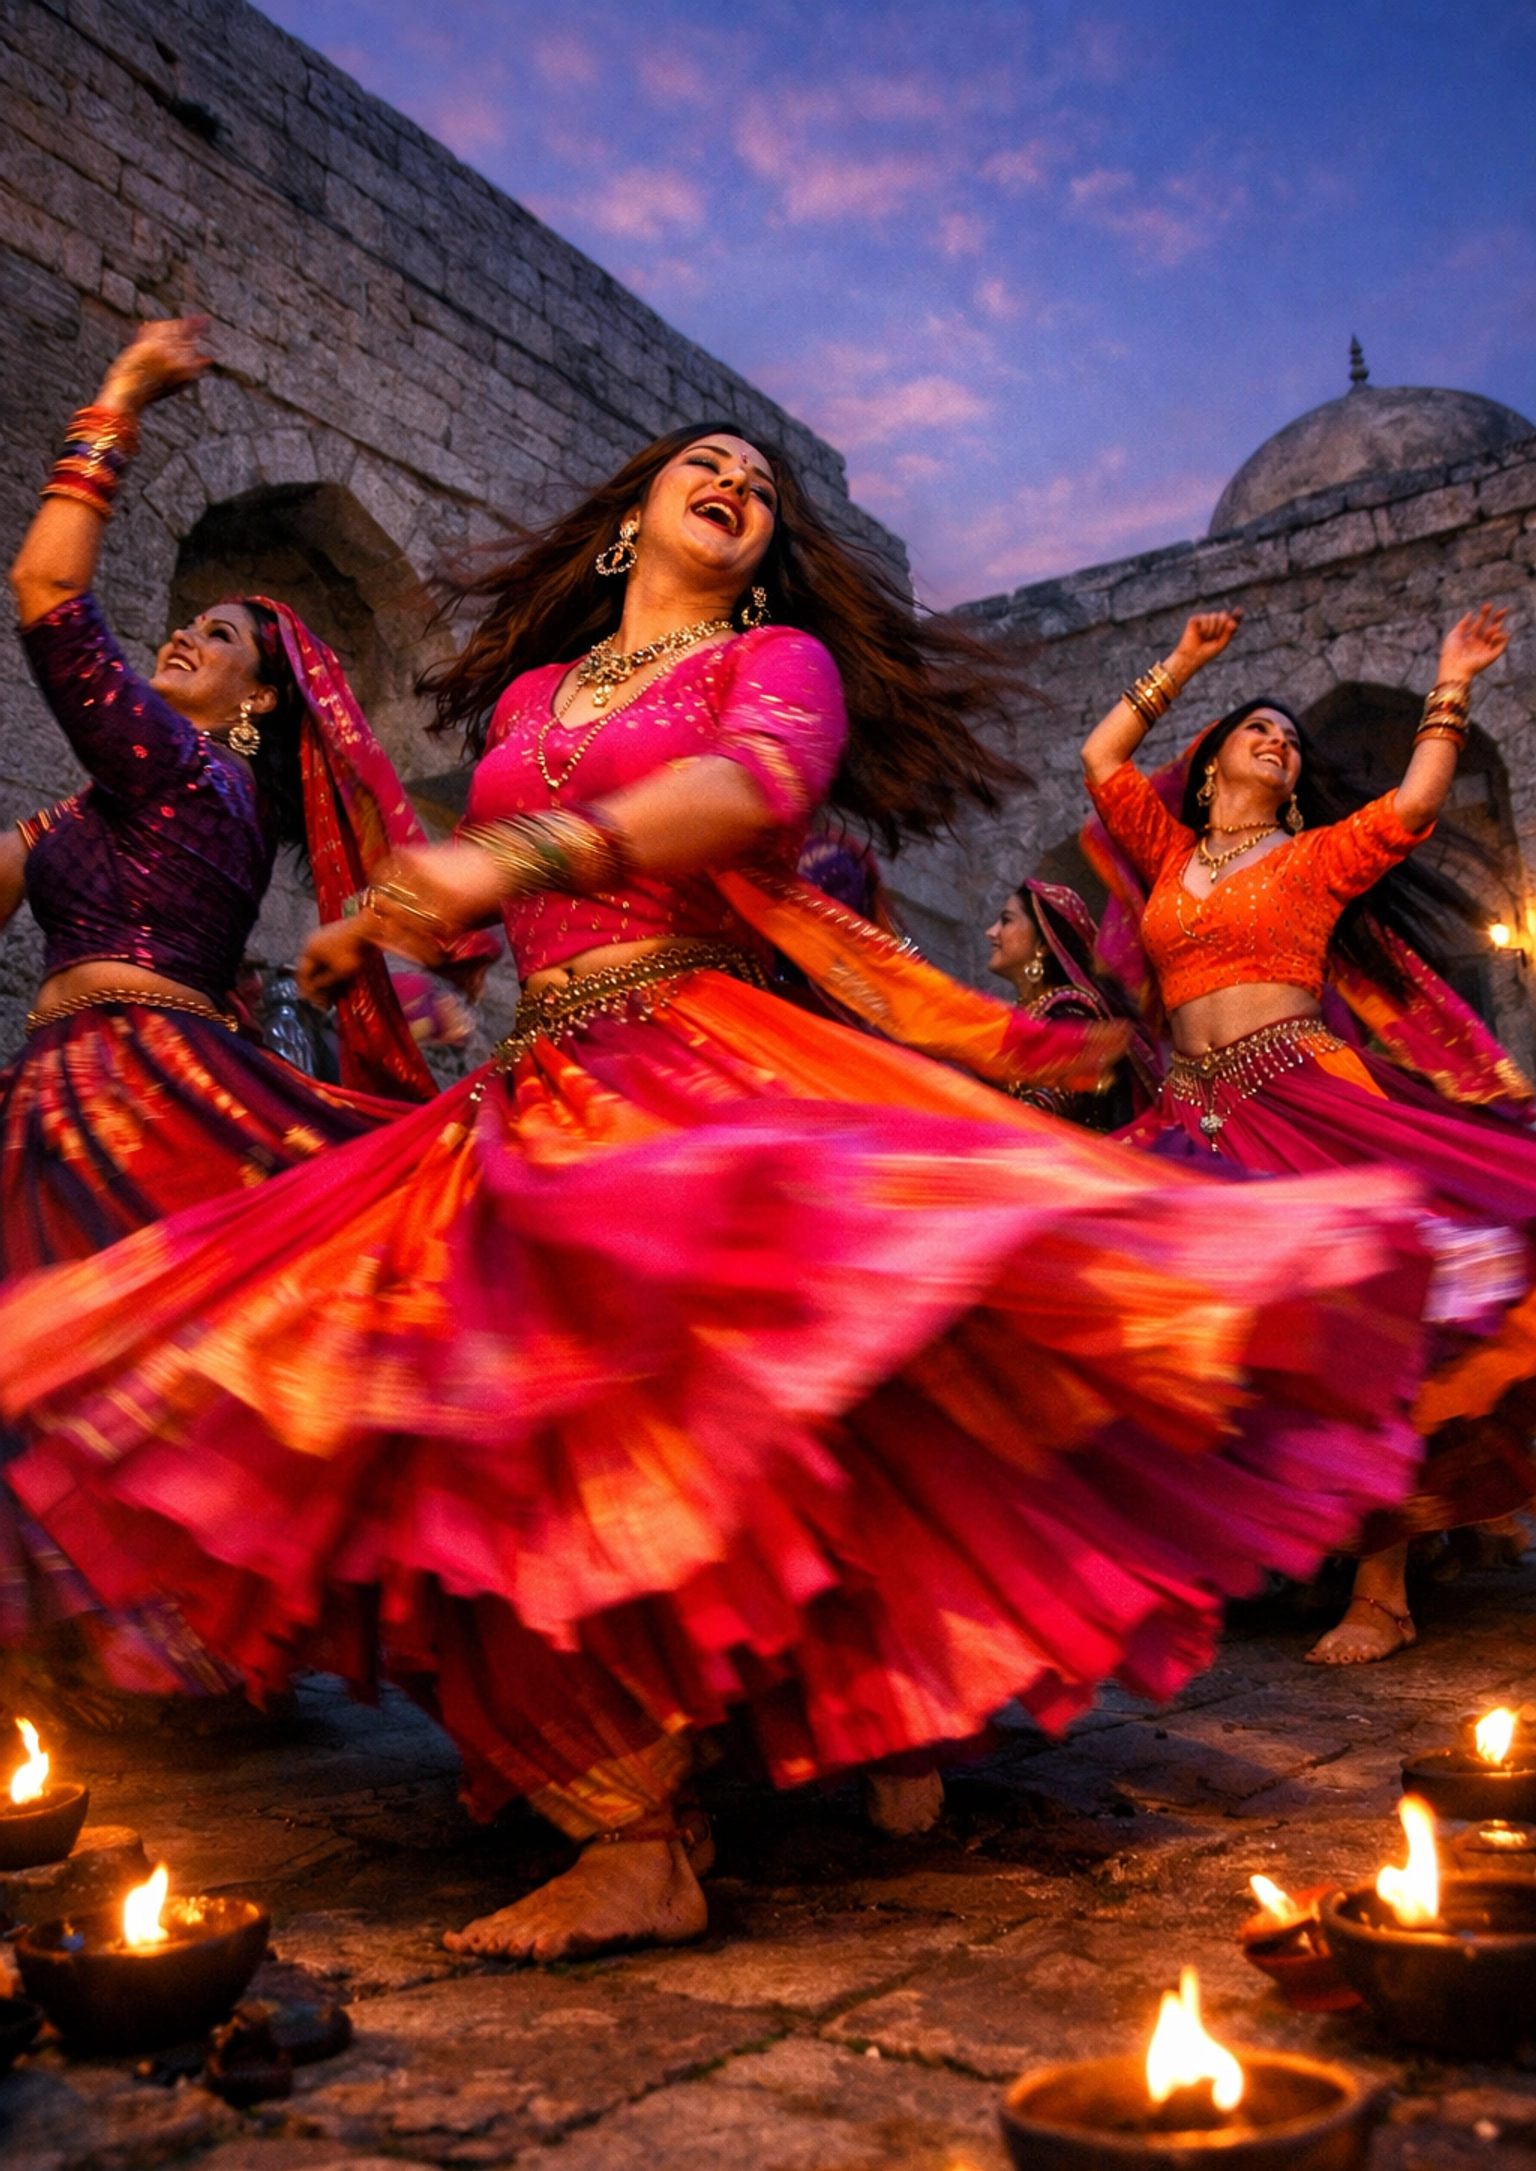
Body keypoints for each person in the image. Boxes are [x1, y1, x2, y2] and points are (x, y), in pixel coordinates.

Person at [0, 423, 1432, 1963]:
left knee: (752, 1401)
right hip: (537, 1077)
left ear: (766, 555)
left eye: (761, 483)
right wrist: (399, 932)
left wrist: (516, 856)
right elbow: (478, 882)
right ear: (634, 517)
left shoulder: (779, 663)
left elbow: (750, 792)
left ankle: (845, 1720)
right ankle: (637, 1818)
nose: (738, 482)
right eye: (708, 462)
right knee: (466, 1417)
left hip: (692, 1051)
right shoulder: (538, 696)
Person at [1, 317, 491, 1691]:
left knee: (110, 1370)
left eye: (216, 635)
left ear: (259, 705)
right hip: (61, 1097)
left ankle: (169, 1656)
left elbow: (48, 588)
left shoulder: (187, 775)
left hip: (136, 1100)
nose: (181, 633)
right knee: (90, 1379)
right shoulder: (97, 808)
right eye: (191, 619)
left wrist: (118, 397)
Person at [1080, 603, 1534, 1667]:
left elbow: (1416, 800)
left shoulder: (1318, 855)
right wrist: (1183, 661)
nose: (1278, 741)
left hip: (1304, 1099)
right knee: (1186, 1337)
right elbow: (1102, 757)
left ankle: (1383, 1593)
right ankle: (1224, 1555)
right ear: (1210, 769)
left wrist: (1452, 678)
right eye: (1258, 729)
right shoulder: (1168, 850)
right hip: (1191, 1117)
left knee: (1370, 1338)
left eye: (1289, 738)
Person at [985, 878, 1157, 1127]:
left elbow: (1042, 1109)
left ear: (1042, 944)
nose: (991, 932)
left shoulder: (1073, 1014)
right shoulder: (1026, 1012)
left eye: (1006, 920)